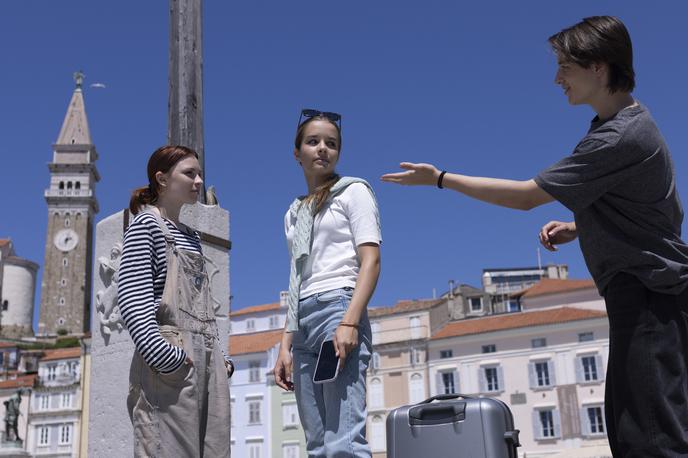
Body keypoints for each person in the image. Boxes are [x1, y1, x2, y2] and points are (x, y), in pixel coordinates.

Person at [382, 16, 688, 457]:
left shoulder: (620, 136)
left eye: (565, 66)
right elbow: (657, 207)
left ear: (598, 67)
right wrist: (581, 225)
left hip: (646, 297)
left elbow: (526, 196)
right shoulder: (622, 127)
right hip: (644, 297)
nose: (556, 78)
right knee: (632, 433)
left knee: (652, 440)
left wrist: (441, 179)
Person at [273, 109, 382, 457]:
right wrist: (285, 341)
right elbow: (296, 276)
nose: (322, 149)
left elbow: (371, 260)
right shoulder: (293, 213)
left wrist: (349, 321)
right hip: (302, 320)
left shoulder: (354, 192)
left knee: (344, 440)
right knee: (317, 444)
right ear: (297, 152)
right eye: (313, 141)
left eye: (331, 144)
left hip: (338, 307)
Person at [118, 145, 232, 457]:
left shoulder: (190, 236)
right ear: (162, 179)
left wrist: (221, 362)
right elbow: (131, 299)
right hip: (172, 365)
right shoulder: (146, 226)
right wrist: (167, 358)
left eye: (200, 174)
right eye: (189, 173)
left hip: (207, 364)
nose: (198, 181)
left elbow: (205, 307)